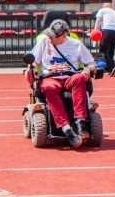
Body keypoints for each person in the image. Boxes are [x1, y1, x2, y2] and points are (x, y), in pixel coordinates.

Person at [28, 19, 97, 148]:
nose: (49, 37)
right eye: (49, 34)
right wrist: (30, 67)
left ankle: (81, 122)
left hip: (69, 77)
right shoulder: (44, 41)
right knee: (48, 87)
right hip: (51, 77)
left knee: (79, 78)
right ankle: (66, 129)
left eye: (53, 36)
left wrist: (87, 69)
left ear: (64, 36)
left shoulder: (76, 44)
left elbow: (92, 63)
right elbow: (35, 61)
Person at [93, 2, 115, 75]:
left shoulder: (102, 10)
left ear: (103, 6)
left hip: (107, 30)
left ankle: (111, 66)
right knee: (111, 50)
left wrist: (95, 30)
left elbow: (98, 20)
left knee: (103, 49)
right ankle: (109, 68)